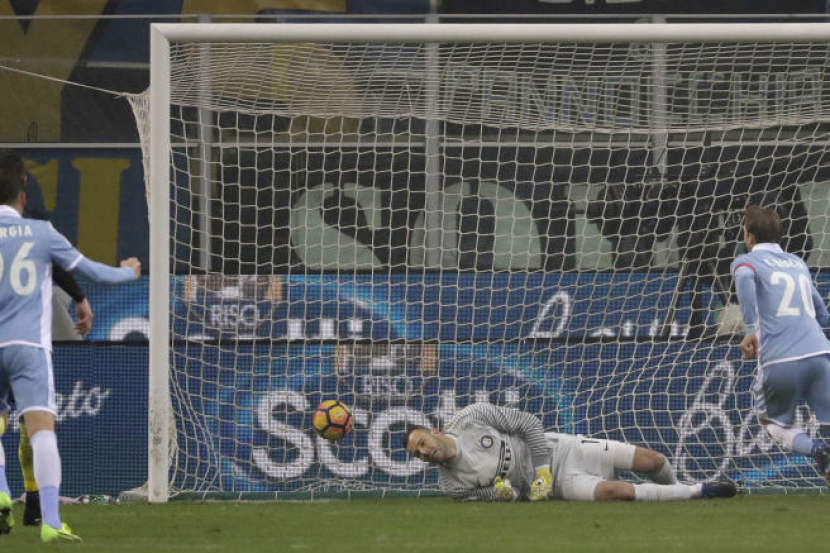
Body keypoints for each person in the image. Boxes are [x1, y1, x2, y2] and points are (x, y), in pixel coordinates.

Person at [0, 167, 140, 541]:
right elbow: (95, 272)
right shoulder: (41, 231)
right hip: (28, 345)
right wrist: (128, 272)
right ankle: (49, 520)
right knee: (41, 431)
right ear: (23, 198)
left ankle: (0, 491)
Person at [0, 149, 94, 529]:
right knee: (34, 421)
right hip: (27, 337)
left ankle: (9, 496)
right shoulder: (36, 224)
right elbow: (57, 265)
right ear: (22, 182)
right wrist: (80, 297)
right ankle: (35, 501)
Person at [404, 403, 737, 502]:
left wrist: (542, 470)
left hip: (563, 450)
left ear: (434, 432)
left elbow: (529, 423)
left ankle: (675, 492)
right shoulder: (451, 485)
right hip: (559, 486)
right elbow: (504, 495)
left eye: (421, 443)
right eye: (418, 455)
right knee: (617, 492)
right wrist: (505, 493)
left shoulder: (471, 417)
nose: (424, 452)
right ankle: (698, 492)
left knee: (654, 461)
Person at [731, 204, 830, 483]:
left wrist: (750, 329)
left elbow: (744, 276)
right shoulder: (797, 263)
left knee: (772, 422)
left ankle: (820, 452)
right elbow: (822, 314)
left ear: (750, 237)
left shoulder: (746, 261)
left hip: (781, 358)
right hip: (821, 354)